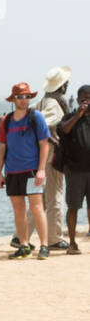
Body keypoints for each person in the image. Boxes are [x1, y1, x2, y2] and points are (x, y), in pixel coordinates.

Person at [0, 82, 50, 260]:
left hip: (32, 170)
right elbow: (2, 147)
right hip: (12, 172)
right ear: (13, 99)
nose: (24, 100)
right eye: (20, 97)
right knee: (18, 209)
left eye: (27, 96)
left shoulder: (36, 117)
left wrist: (42, 169)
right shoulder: (7, 121)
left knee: (37, 208)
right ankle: (24, 245)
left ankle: (44, 246)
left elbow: (45, 144)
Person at [35, 66, 71, 250]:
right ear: (61, 86)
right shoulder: (54, 104)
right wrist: (54, 141)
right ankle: (55, 237)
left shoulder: (43, 101)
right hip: (52, 156)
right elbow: (41, 124)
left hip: (41, 156)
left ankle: (21, 235)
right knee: (55, 196)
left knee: (38, 198)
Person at [58, 83, 90, 254]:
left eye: (89, 96)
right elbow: (63, 130)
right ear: (77, 99)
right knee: (73, 206)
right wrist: (78, 115)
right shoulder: (70, 117)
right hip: (75, 170)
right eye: (83, 97)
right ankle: (72, 243)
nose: (86, 99)